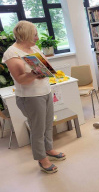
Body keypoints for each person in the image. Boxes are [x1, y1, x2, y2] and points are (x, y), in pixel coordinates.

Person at [2, 20, 65, 174]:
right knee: (38, 128)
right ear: (26, 35)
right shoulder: (12, 53)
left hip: (45, 91)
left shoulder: (33, 47)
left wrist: (45, 69)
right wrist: (33, 73)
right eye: (34, 35)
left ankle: (49, 149)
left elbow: (46, 67)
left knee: (48, 124)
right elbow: (20, 79)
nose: (37, 38)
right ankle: (41, 158)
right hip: (30, 97)